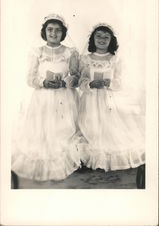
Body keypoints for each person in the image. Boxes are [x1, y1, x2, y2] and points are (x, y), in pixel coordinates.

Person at [12, 14, 81, 181]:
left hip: (64, 97)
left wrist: (66, 81)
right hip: (43, 97)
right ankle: (46, 162)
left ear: (63, 33)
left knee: (63, 128)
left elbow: (76, 76)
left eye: (58, 30)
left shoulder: (70, 52)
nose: (54, 33)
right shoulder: (37, 52)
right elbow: (30, 78)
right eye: (50, 30)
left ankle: (68, 160)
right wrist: (43, 82)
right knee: (45, 129)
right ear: (44, 32)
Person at [78, 23, 145, 172]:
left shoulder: (115, 60)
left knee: (109, 129)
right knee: (91, 125)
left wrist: (110, 82)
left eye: (106, 37)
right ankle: (88, 157)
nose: (102, 39)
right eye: (98, 36)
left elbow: (121, 82)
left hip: (108, 99)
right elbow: (81, 82)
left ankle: (107, 157)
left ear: (111, 41)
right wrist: (90, 83)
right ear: (92, 39)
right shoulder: (86, 59)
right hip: (90, 100)